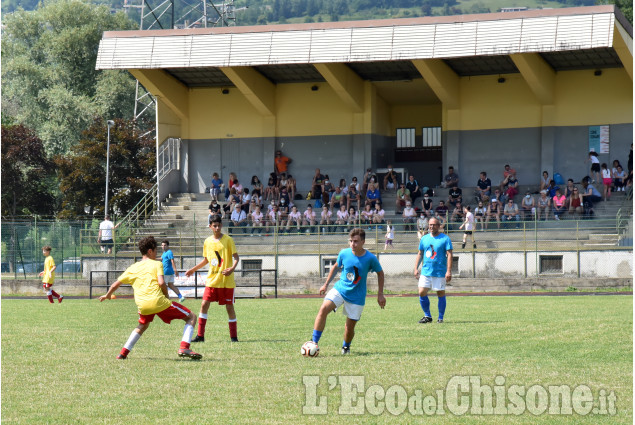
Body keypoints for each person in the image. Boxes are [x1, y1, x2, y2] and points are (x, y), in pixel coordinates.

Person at [99, 236, 201, 360]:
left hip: (142, 305)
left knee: (142, 325)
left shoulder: (133, 267)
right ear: (150, 251)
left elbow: (116, 284)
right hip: (158, 302)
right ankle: (184, 347)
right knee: (191, 317)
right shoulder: (157, 264)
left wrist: (108, 295)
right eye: (156, 250)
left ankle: (123, 353)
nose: (157, 253)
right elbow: (162, 283)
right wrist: (167, 297)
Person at [309, 228, 385, 355]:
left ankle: (346, 347)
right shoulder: (344, 253)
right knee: (323, 309)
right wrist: (326, 284)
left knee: (349, 328)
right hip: (340, 289)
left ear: (363, 242)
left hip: (357, 297)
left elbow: (380, 274)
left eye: (355, 241)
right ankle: (313, 342)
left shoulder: (370, 258)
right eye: (350, 241)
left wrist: (380, 294)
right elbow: (335, 267)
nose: (352, 244)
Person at [186, 215, 240, 343]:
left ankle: (234, 337)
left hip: (226, 281)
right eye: (214, 226)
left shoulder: (228, 240)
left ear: (221, 225)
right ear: (210, 227)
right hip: (212, 280)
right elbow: (206, 260)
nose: (217, 228)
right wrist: (193, 269)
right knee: (204, 304)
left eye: (219, 225)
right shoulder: (207, 242)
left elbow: (236, 257)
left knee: (229, 307)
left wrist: (232, 268)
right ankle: (200, 336)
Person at [414, 217, 452, 324]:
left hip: (439, 272)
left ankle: (440, 317)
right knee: (421, 292)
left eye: (434, 225)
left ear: (439, 226)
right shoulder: (424, 238)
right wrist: (416, 268)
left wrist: (448, 271)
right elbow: (420, 253)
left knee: (440, 293)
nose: (431, 227)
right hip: (426, 271)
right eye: (430, 225)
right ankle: (427, 316)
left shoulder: (445, 239)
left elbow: (449, 255)